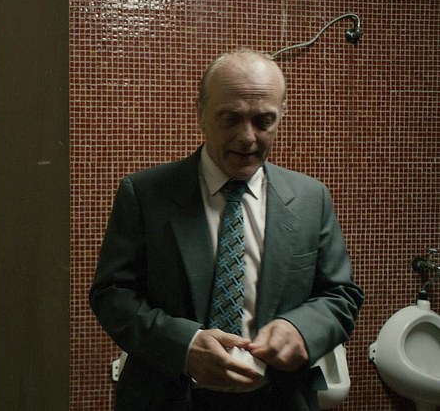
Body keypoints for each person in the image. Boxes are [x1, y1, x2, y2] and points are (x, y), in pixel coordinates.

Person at [89, 49, 364, 411]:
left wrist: (302, 328)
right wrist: (185, 346)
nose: (247, 137)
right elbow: (112, 294)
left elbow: (341, 295)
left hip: (279, 398)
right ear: (201, 113)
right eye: (231, 118)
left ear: (282, 115)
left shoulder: (311, 199)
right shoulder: (145, 194)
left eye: (263, 120)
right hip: (169, 396)